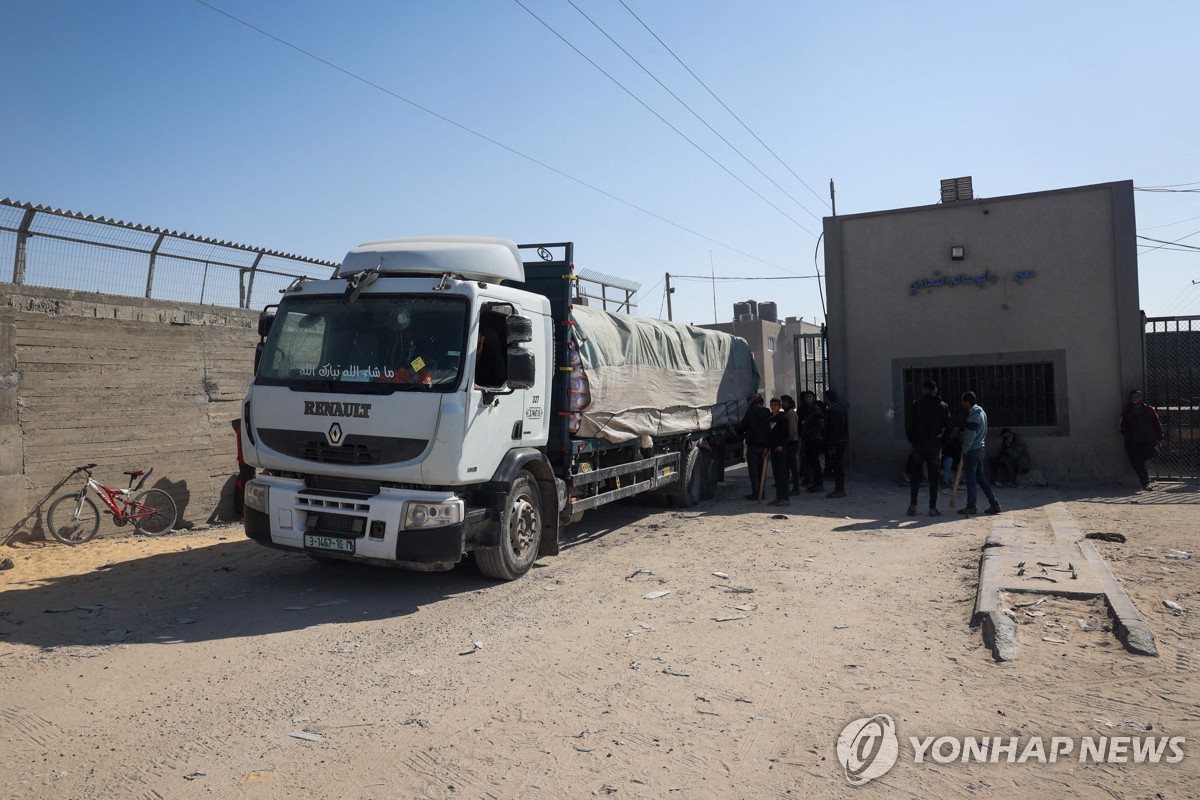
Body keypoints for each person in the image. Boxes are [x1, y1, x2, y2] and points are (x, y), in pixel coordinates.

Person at [905, 380, 950, 516]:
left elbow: (909, 425)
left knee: (916, 476)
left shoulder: (916, 405)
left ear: (924, 390)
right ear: (935, 390)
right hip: (934, 446)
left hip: (918, 445)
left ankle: (913, 505)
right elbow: (948, 427)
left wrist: (912, 440)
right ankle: (932, 508)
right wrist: (942, 441)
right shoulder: (942, 406)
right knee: (934, 478)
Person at [958, 391, 1001, 515]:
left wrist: (964, 449)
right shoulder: (982, 413)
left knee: (971, 480)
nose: (962, 404)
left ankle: (971, 506)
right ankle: (994, 504)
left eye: (962, 402)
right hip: (980, 449)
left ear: (967, 402)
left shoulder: (973, 416)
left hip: (973, 451)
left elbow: (970, 437)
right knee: (980, 478)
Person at [1120, 389, 1164, 491]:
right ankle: (1145, 483)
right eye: (1132, 398)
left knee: (1153, 452)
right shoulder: (1127, 411)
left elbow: (1157, 424)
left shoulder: (1149, 409)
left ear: (1140, 398)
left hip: (1148, 440)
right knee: (1138, 463)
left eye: (1136, 397)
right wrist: (1129, 437)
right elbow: (1123, 426)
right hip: (1134, 442)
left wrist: (1160, 437)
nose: (1134, 399)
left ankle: (1142, 461)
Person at [738, 393, 772, 500]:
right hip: (764, 446)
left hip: (753, 445)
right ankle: (762, 492)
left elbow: (743, 425)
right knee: (762, 470)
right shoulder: (767, 412)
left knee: (753, 470)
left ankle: (756, 492)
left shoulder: (751, 411)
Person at [799, 391, 827, 493]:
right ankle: (815, 483)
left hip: (814, 439)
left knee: (815, 462)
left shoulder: (816, 410)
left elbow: (820, 425)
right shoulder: (809, 410)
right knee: (811, 462)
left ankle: (819, 484)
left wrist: (810, 432)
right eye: (806, 397)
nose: (808, 399)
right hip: (810, 439)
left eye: (810, 397)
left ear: (814, 398)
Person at [823, 389, 848, 498]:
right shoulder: (838, 409)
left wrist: (833, 445)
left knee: (837, 467)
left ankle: (839, 489)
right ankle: (839, 489)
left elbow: (835, 430)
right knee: (837, 466)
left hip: (837, 443)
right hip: (840, 441)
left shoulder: (833, 411)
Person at [766, 398, 791, 506]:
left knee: (782, 475)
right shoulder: (771, 418)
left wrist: (781, 445)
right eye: (771, 405)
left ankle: (785, 498)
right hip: (773, 449)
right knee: (776, 475)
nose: (773, 407)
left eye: (775, 405)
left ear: (779, 406)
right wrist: (767, 448)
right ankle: (778, 497)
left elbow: (786, 434)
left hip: (781, 450)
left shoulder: (783, 418)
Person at [781, 395, 802, 494]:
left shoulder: (790, 413)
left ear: (790, 403)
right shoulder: (787, 413)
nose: (783, 404)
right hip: (790, 442)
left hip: (791, 442)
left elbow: (793, 430)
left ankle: (796, 487)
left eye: (785, 402)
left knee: (792, 465)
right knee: (788, 465)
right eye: (782, 402)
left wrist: (786, 441)